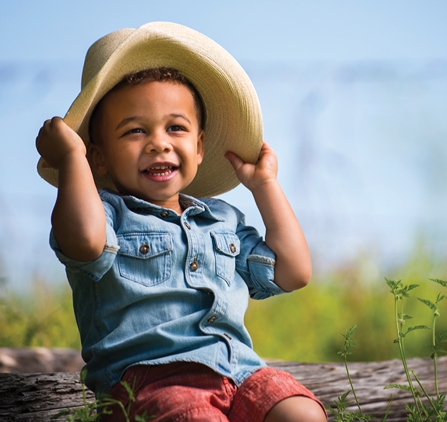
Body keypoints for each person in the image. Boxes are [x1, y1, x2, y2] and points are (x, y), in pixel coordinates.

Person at [36, 22, 326, 422]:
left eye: (176, 127)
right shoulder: (106, 215)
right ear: (98, 158)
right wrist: (72, 158)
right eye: (135, 131)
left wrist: (264, 186)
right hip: (150, 381)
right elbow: (84, 242)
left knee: (300, 412)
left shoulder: (221, 219)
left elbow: (293, 272)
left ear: (200, 146)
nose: (159, 142)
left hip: (239, 371)